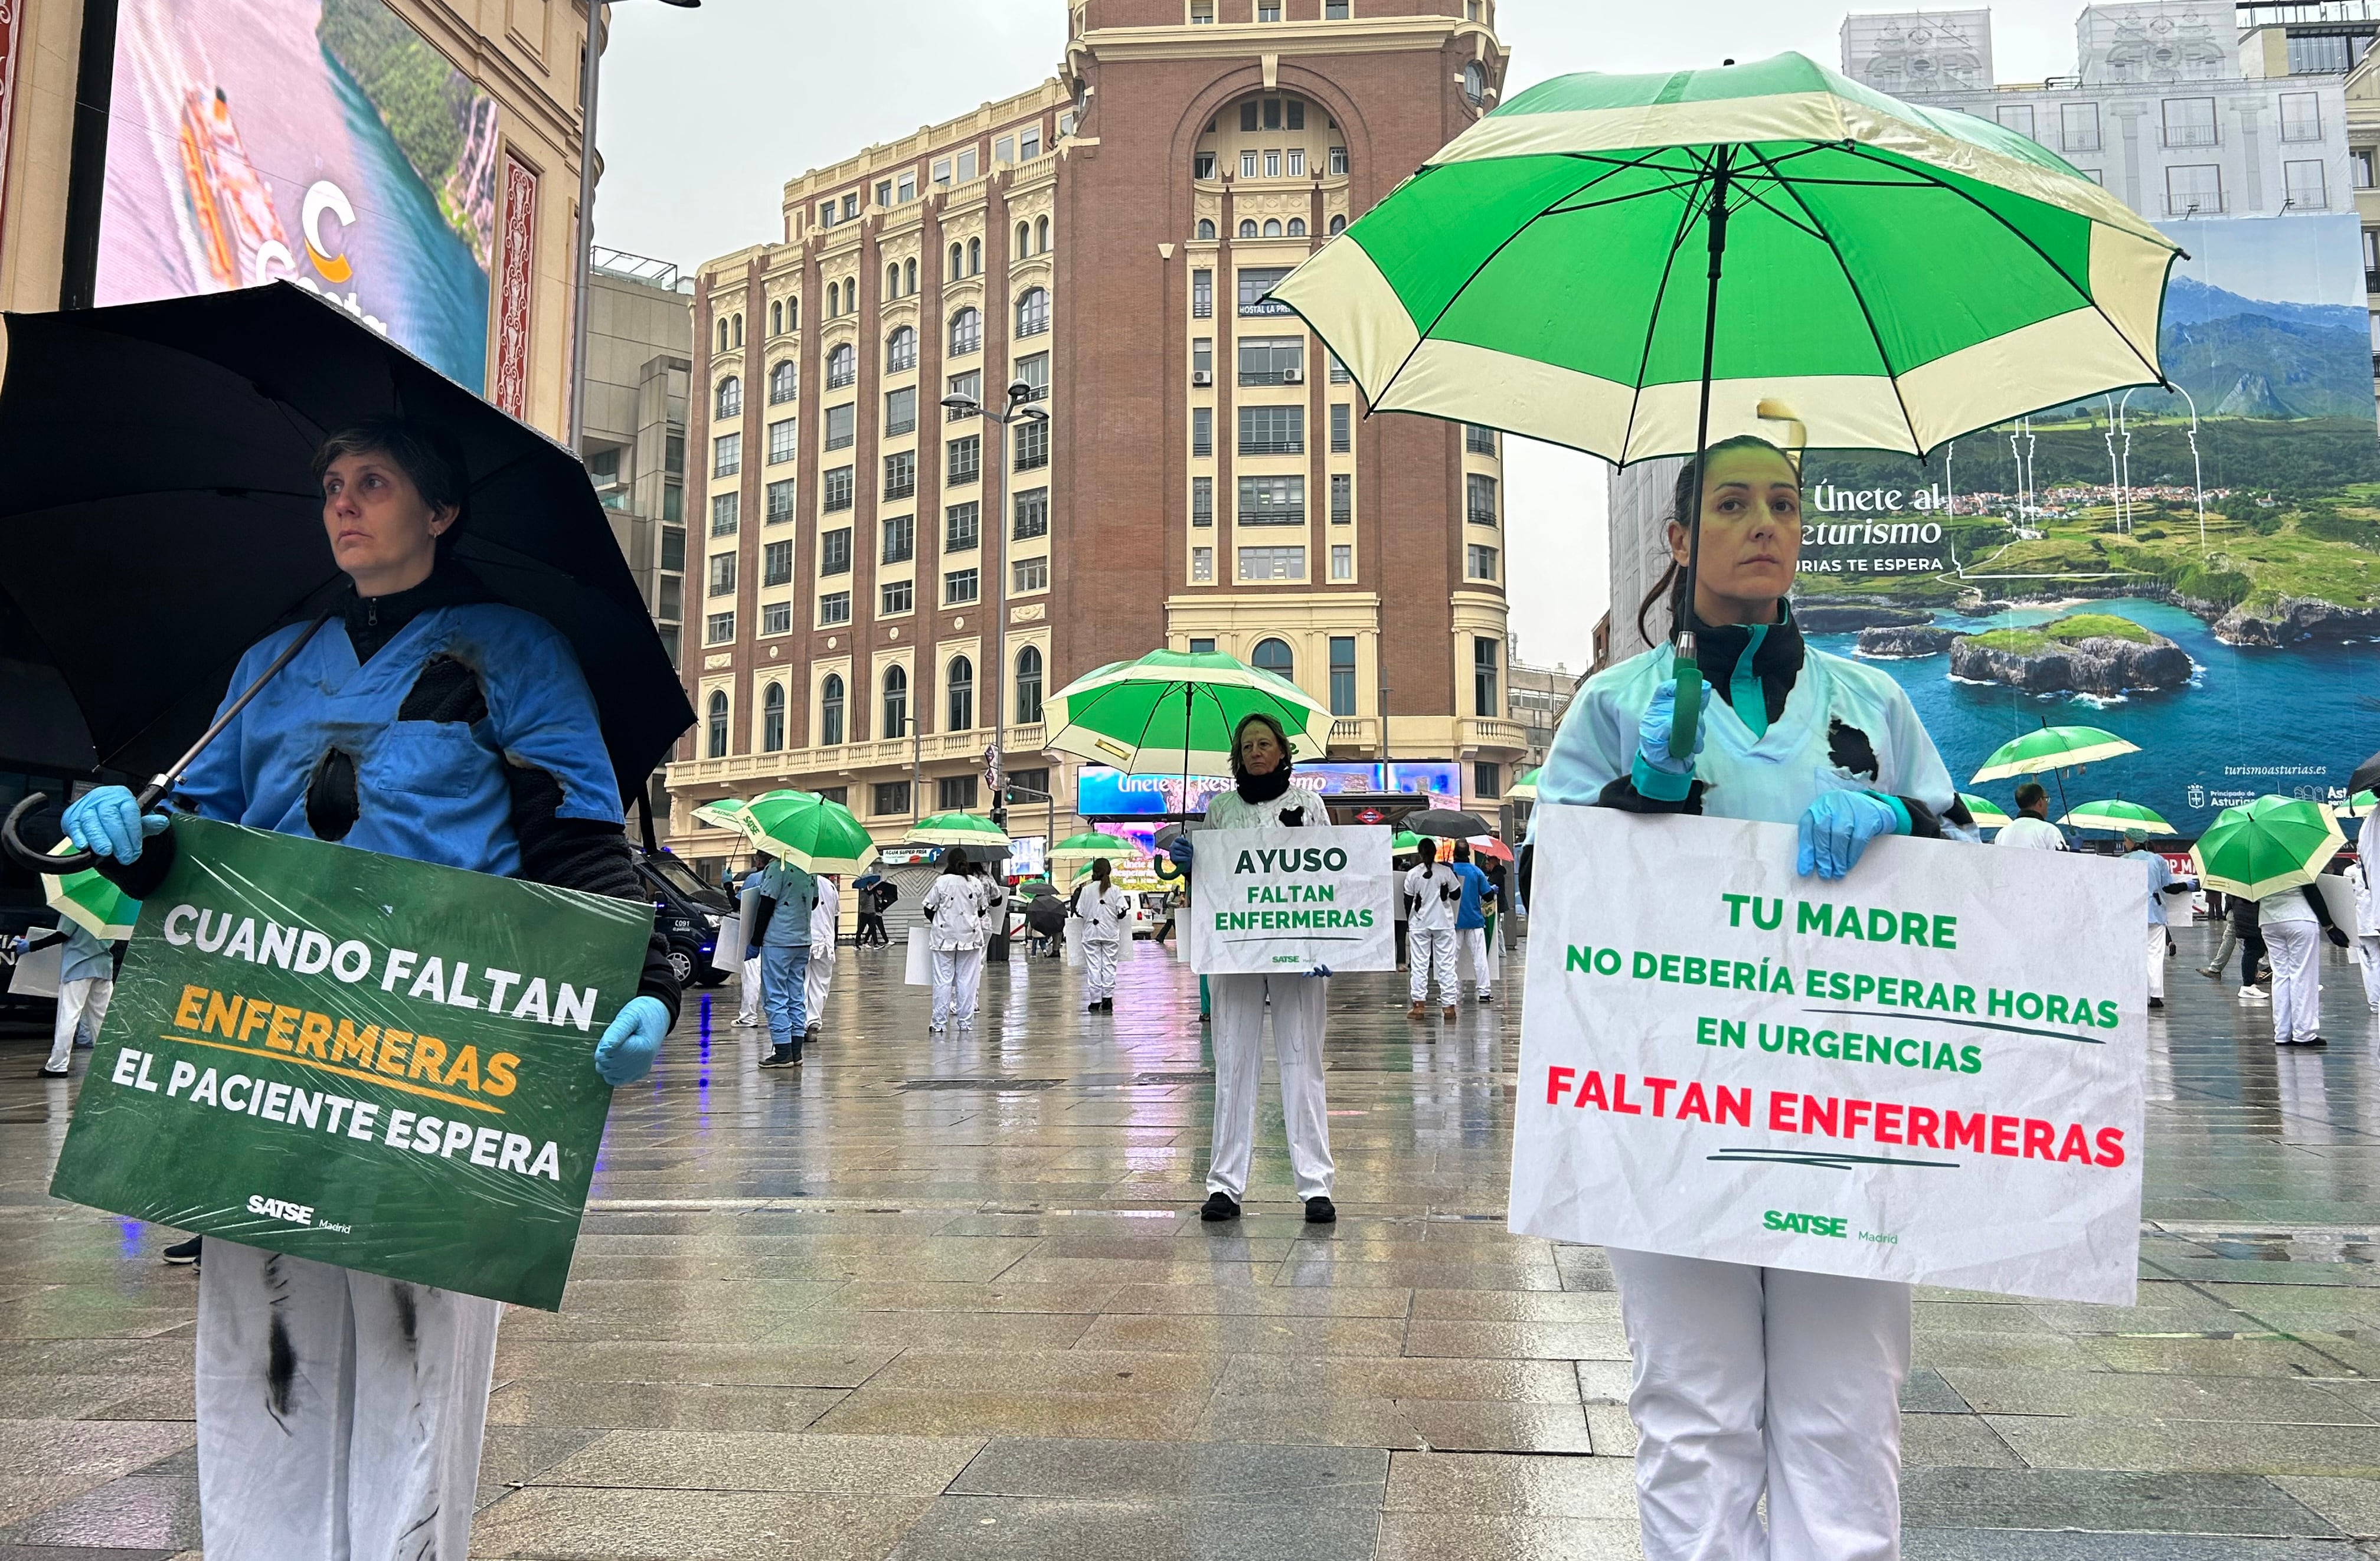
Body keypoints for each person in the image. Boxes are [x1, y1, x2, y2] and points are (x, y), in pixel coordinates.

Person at [57, 416, 675, 1561]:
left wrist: (643, 981)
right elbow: (212, 843)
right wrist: (139, 842)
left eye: (374, 482)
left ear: (439, 511)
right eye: (333, 484)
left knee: (417, 1345)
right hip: (266, 1043)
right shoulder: (271, 663)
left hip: (442, 1044)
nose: (344, 503)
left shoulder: (516, 649)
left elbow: (580, 839)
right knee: (264, 1337)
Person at [1528, 434, 1963, 1561]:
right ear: (1679, 541)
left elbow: (1967, 871)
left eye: (1782, 502)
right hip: (1669, 1103)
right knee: (1692, 1406)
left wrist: (1904, 821)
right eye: (1730, 504)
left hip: (1848, 1108)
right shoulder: (1616, 704)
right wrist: (1645, 793)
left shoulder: (1870, 700)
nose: (1763, 523)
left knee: (1847, 1411)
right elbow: (1546, 887)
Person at [1165, 712, 1336, 1225]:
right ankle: (1224, 1183)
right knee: (1233, 1062)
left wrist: (1324, 944)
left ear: (1284, 752)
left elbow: (1333, 871)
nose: (1256, 753)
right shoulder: (1219, 810)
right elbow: (1213, 883)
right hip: (1235, 953)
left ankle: (1315, 1184)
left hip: (1299, 954)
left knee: (1302, 1062)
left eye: (1265, 744)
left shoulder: (1309, 805)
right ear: (1237, 757)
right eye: (1247, 747)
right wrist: (1191, 862)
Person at [2260, 873, 2348, 1046]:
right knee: (2303, 976)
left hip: (2268, 921)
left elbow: (2249, 900)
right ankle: (2304, 1033)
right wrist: (2329, 925)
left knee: (2281, 976)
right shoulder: (2294, 859)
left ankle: (2282, 1033)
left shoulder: (2256, 863)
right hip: (2299, 917)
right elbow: (2311, 890)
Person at [22, 921, 119, 1078]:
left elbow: (62, 935)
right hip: (103, 968)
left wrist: (30, 946)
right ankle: (109, 1063)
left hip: (77, 967)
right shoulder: (111, 911)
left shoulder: (77, 908)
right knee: (102, 1020)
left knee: (68, 1016)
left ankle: (57, 1065)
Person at [748, 853, 817, 1067]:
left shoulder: (777, 868)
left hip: (778, 940)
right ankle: (796, 1052)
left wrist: (755, 942)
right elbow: (813, 902)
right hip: (802, 940)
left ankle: (782, 1051)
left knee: (774, 995)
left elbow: (766, 907)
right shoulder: (810, 869)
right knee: (796, 995)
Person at [2123, 829, 2196, 1012]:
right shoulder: (2158, 860)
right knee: (2155, 956)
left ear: (2132, 842)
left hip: (2130, 916)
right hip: (2155, 914)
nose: (2124, 843)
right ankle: (2155, 996)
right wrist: (2189, 885)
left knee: (2133, 956)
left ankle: (2134, 993)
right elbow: (2169, 888)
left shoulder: (2123, 861)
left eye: (2126, 840)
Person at [923, 846, 990, 1032]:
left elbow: (928, 908)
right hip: (971, 937)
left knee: (942, 981)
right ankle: (965, 1023)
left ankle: (938, 1024)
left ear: (949, 863)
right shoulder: (975, 883)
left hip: (943, 938)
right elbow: (982, 910)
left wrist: (941, 922)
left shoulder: (941, 882)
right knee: (967, 981)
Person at [1404, 838, 1461, 1021]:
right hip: (1443, 923)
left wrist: (1411, 920)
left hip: (1420, 925)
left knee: (1419, 965)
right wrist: (1444, 891)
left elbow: (1407, 900)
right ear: (1436, 853)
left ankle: (1419, 1006)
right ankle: (1449, 1006)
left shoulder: (1413, 874)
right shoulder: (1445, 872)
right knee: (1446, 964)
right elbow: (1456, 894)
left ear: (1420, 853)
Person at [1071, 858, 1130, 1012]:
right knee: (1110, 965)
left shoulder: (1086, 890)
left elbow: (1079, 912)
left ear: (1094, 872)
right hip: (1110, 933)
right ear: (1109, 871)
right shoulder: (1115, 890)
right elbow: (1122, 912)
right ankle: (1108, 998)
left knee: (1094, 967)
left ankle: (1095, 1000)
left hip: (1091, 933)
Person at [1449, 841, 1500, 1004]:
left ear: (1454, 854)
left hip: (1453, 922)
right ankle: (1484, 992)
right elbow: (1487, 896)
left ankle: (1450, 993)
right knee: (1479, 959)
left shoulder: (1448, 871)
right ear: (1469, 854)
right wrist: (1492, 889)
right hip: (1475, 921)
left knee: (1450, 959)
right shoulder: (1476, 872)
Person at [803, 873, 839, 1043]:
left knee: (801, 982)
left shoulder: (801, 881)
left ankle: (800, 1023)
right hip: (826, 942)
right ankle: (814, 1024)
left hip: (805, 938)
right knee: (821, 984)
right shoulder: (831, 886)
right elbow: (835, 914)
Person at [734, 860, 766, 1027]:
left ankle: (748, 1016)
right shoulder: (785, 877)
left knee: (751, 977)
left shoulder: (754, 879)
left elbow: (737, 904)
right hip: (778, 937)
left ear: (759, 860)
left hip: (753, 934)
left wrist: (727, 886)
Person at [1995, 781, 2068, 851]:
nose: (2047, 803)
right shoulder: (2049, 831)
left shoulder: (2002, 834)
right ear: (2040, 803)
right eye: (2046, 799)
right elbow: (2064, 860)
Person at [2350, 855, 2380, 1013]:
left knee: (2371, 963)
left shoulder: (2351, 872)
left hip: (2365, 920)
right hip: (2367, 919)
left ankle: (2376, 1003)